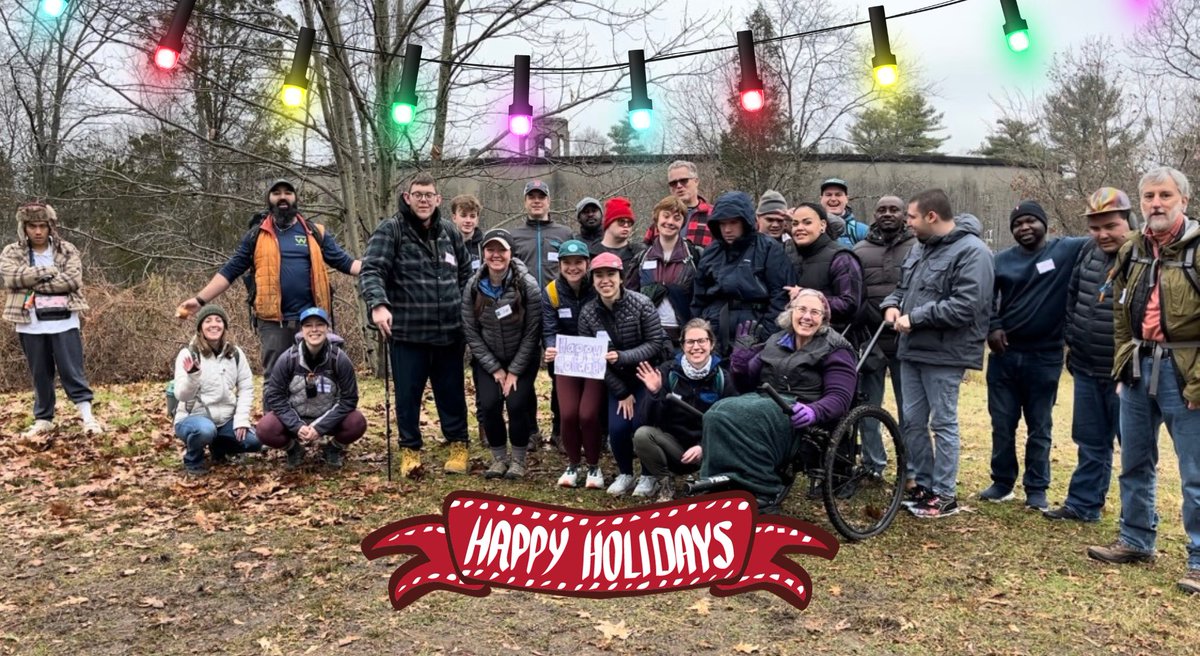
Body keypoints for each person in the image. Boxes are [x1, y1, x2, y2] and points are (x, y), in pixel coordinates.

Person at [1088, 166, 1200, 596]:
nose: (1156, 203)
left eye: (1165, 195)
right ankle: (1135, 539)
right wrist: (1122, 363)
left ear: (1184, 201)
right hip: (1138, 365)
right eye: (1150, 196)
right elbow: (1120, 312)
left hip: (1185, 369)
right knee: (1134, 460)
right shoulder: (1133, 248)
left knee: (1195, 471)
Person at [881, 189, 994, 519]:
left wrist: (915, 318)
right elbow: (903, 289)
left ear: (932, 216)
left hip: (946, 353)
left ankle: (945, 494)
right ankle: (925, 486)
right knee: (913, 422)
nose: (908, 224)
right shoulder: (920, 248)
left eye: (912, 218)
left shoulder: (974, 252)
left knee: (942, 422)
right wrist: (890, 305)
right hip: (912, 351)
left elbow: (966, 307)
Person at [175, 179, 361, 374]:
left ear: (295, 198)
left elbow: (346, 263)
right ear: (269, 199)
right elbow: (230, 271)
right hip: (273, 323)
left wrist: (377, 267)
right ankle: (273, 407)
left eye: (288, 193)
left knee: (318, 375)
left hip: (311, 321)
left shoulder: (315, 232)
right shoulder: (256, 236)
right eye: (277, 193)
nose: (283, 197)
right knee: (275, 378)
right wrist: (199, 300)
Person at [698, 290, 857, 513]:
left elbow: (840, 398)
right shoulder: (775, 340)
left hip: (800, 412)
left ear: (823, 319)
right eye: (801, 309)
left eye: (815, 312)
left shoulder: (836, 348)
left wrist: (814, 411)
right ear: (791, 312)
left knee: (739, 415)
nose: (807, 317)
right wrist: (739, 365)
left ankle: (762, 491)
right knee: (716, 413)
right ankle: (720, 482)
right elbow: (745, 385)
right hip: (765, 402)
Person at [359, 172, 474, 477]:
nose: (424, 200)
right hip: (408, 334)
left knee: (452, 394)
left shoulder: (450, 232)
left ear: (438, 200)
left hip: (449, 332)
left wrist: (466, 310)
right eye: (418, 194)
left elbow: (466, 274)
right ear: (407, 198)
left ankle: (458, 445)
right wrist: (379, 304)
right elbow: (371, 271)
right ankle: (410, 450)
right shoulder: (391, 230)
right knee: (407, 396)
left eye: (429, 195)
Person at [981, 200, 1089, 510]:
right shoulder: (1000, 260)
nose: (1024, 228)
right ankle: (1002, 482)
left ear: (1045, 223)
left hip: (1045, 356)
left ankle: (1037, 487)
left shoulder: (1065, 250)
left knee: (1039, 426)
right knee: (1002, 423)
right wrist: (994, 326)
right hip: (1005, 355)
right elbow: (986, 299)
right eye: (1017, 224)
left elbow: (1104, 235)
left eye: (1030, 221)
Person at [1043, 187, 1134, 522]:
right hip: (1085, 365)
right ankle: (1083, 504)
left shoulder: (1140, 256)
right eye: (1095, 227)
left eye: (1110, 226)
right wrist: (1072, 340)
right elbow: (1072, 299)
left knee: (1135, 451)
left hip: (1127, 372)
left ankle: (1136, 519)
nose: (1102, 234)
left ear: (1127, 220)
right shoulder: (1087, 253)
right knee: (1090, 440)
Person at [2, 202, 102, 436]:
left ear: (50, 226)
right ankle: (43, 418)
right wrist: (47, 273)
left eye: (42, 226)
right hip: (29, 321)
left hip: (65, 320)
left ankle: (87, 416)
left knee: (71, 370)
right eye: (32, 226)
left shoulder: (66, 249)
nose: (38, 231)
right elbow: (12, 278)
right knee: (40, 372)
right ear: (23, 228)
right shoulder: (12, 251)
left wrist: (33, 283)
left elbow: (72, 280)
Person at [578, 252, 668, 497]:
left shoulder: (641, 304)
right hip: (615, 381)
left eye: (610, 274)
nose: (605, 280)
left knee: (641, 425)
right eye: (599, 275)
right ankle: (625, 472)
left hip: (645, 375)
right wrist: (621, 391)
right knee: (618, 428)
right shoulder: (587, 313)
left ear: (620, 277)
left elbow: (655, 343)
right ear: (593, 279)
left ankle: (649, 476)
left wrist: (623, 356)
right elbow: (592, 358)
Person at [462, 229, 543, 480]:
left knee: (517, 405)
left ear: (510, 253)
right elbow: (470, 331)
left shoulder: (528, 285)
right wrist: (495, 369)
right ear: (484, 253)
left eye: (501, 250)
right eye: (490, 250)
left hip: (522, 358)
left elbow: (533, 333)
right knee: (489, 405)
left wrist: (514, 371)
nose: (496, 255)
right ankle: (498, 459)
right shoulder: (473, 286)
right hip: (489, 360)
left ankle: (518, 461)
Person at [632, 318, 737, 502]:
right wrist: (654, 393)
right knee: (642, 435)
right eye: (690, 342)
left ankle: (709, 483)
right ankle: (665, 483)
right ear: (682, 345)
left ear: (711, 344)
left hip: (710, 450)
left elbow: (730, 425)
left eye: (701, 341)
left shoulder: (723, 378)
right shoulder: (667, 372)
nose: (696, 347)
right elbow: (645, 420)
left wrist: (703, 446)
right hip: (676, 448)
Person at [854, 195, 916, 479]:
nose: (888, 213)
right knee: (868, 410)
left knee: (911, 414)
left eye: (894, 209)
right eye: (882, 209)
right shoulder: (859, 250)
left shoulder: (919, 248)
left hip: (910, 342)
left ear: (904, 214)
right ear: (874, 214)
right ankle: (872, 465)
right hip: (872, 341)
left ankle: (911, 468)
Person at [257, 307, 366, 469]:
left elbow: (349, 400)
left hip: (328, 418)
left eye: (319, 324)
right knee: (265, 429)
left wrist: (320, 427)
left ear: (327, 328)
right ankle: (294, 449)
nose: (314, 329)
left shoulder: (339, 360)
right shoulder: (287, 359)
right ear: (302, 330)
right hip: (295, 417)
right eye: (308, 325)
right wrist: (296, 425)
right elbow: (275, 397)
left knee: (357, 422)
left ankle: (333, 448)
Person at [691, 191, 794, 356]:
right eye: (722, 224)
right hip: (714, 327)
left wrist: (765, 336)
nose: (727, 229)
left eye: (733, 223)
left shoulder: (768, 249)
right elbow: (698, 298)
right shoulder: (711, 252)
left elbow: (780, 297)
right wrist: (700, 329)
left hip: (754, 327)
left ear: (745, 222)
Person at [171, 304, 260, 475]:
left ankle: (218, 447)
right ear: (200, 328)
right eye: (208, 321)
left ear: (224, 327)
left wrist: (241, 420)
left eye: (218, 321)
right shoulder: (188, 354)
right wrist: (193, 376)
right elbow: (181, 395)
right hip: (192, 418)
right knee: (205, 430)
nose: (214, 325)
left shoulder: (235, 354)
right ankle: (193, 462)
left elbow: (246, 386)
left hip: (226, 418)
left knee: (254, 442)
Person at [544, 240, 604, 489]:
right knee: (568, 414)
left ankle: (594, 466)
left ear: (587, 264)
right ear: (559, 265)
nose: (573, 267)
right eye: (567, 263)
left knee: (588, 415)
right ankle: (572, 464)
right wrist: (549, 347)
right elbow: (549, 328)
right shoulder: (551, 292)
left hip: (594, 361)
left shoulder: (598, 288)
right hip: (567, 361)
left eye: (578, 262)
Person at [627, 195, 701, 349]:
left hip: (685, 340)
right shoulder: (641, 259)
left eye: (676, 218)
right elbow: (629, 300)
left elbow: (702, 299)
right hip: (648, 338)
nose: (670, 222)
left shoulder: (694, 256)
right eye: (666, 216)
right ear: (656, 219)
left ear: (682, 223)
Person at [785, 202, 864, 332]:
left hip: (834, 339)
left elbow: (849, 304)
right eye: (795, 224)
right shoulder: (790, 256)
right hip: (797, 337)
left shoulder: (842, 258)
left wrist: (805, 296)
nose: (799, 228)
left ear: (822, 225)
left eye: (807, 222)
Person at [510, 179, 574, 289]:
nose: (536, 201)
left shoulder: (565, 234)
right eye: (531, 197)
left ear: (549, 201)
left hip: (557, 301)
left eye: (541, 197)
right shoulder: (513, 236)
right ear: (525, 202)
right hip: (525, 302)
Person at [643, 160, 713, 248]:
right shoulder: (662, 217)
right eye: (673, 183)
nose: (679, 186)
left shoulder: (714, 215)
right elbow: (646, 250)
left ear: (696, 181)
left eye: (684, 180)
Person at [591, 197, 644, 272]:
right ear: (608, 223)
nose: (626, 225)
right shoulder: (591, 254)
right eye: (621, 221)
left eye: (629, 223)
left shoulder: (640, 254)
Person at [820, 178, 868, 247]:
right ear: (821, 199)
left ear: (846, 199)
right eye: (828, 195)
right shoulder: (810, 229)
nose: (833, 199)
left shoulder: (862, 231)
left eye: (838, 195)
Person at [450, 194, 484, 272]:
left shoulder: (484, 245)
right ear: (454, 218)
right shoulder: (446, 243)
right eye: (463, 215)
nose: (468, 220)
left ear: (477, 219)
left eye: (472, 216)